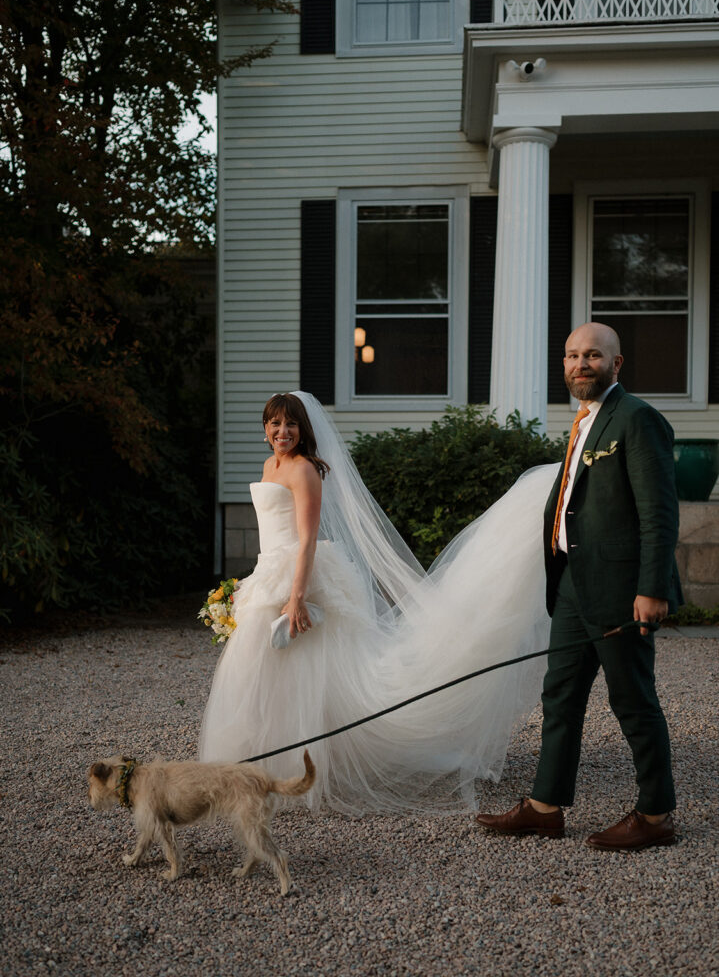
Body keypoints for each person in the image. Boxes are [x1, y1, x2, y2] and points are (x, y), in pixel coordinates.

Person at [199, 392, 559, 815]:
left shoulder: (305, 469)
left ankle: (301, 766)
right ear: (265, 429)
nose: (283, 432)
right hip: (268, 572)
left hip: (298, 576)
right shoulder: (269, 466)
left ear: (303, 430)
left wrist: (297, 597)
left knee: (302, 670)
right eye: (275, 424)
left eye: (291, 424)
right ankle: (263, 763)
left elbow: (308, 539)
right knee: (265, 672)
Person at [475, 322, 682, 850]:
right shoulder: (585, 420)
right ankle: (545, 807)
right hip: (572, 581)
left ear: (617, 364)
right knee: (560, 695)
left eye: (592, 355)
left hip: (620, 588)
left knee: (632, 700)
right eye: (571, 356)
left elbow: (659, 513)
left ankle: (656, 814)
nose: (580, 364)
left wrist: (652, 588)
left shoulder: (636, 419)